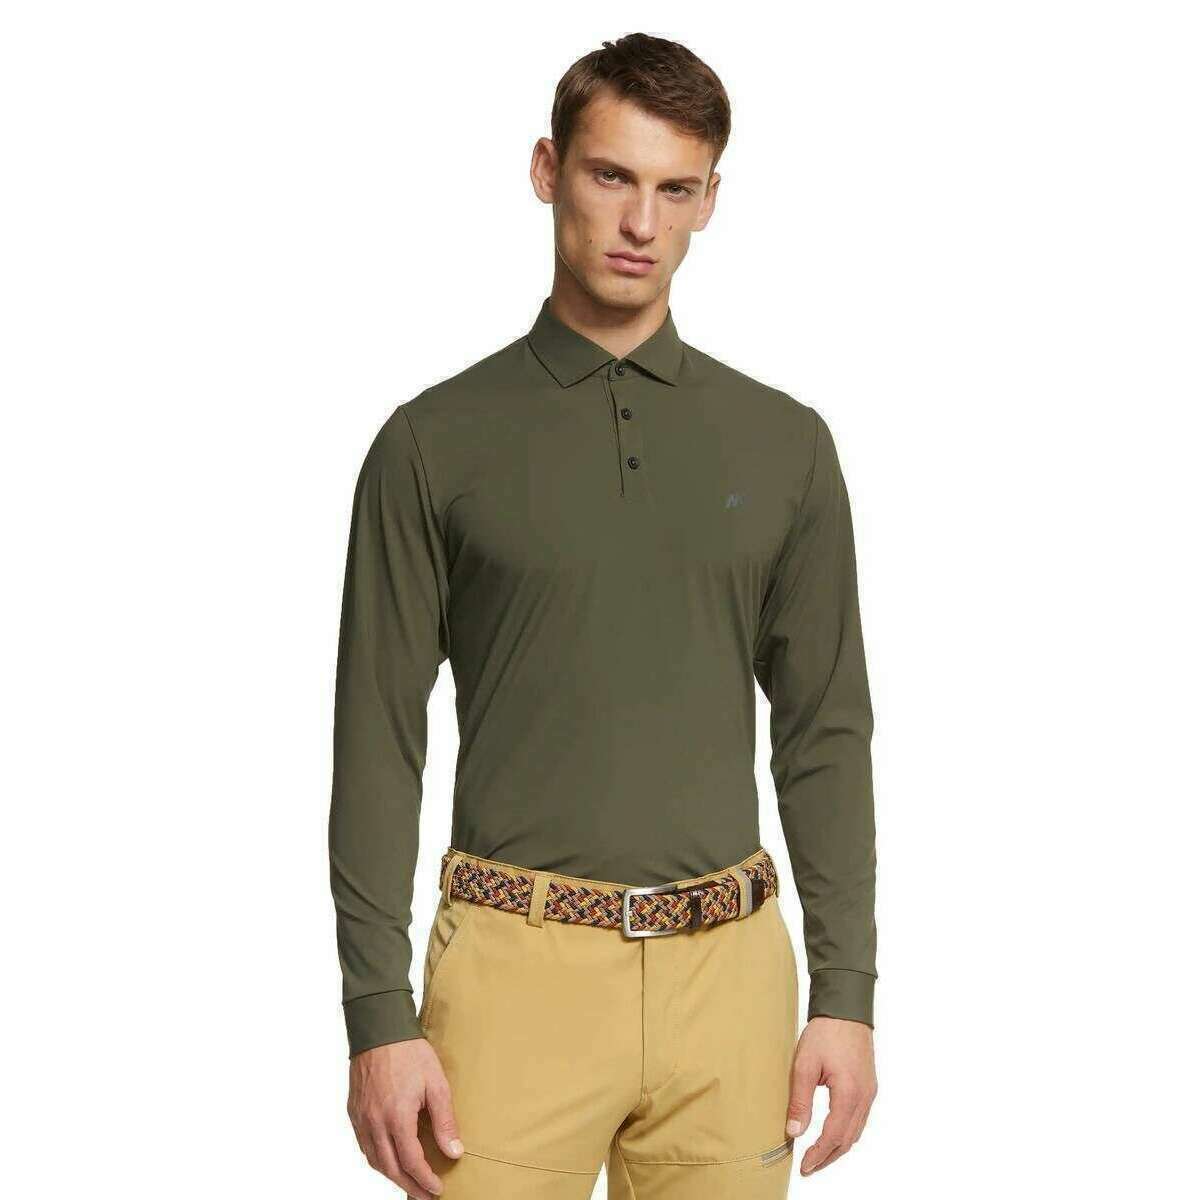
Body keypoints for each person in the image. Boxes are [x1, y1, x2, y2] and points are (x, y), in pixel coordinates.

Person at [329, 32, 878, 1199]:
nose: (641, 221)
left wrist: (846, 995)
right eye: (611, 175)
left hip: (730, 984)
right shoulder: (433, 443)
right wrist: (377, 1010)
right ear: (548, 171)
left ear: (711, 201)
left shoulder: (785, 445)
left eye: (676, 188)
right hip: (511, 976)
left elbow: (825, 729)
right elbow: (378, 735)